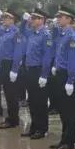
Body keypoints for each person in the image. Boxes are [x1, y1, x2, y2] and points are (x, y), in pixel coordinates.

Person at [15, 8, 53, 139]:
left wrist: (44, 75)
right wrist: (23, 20)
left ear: (41, 20)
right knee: (32, 100)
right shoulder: (31, 33)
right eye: (31, 18)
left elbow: (47, 57)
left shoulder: (46, 35)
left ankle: (42, 128)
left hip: (39, 70)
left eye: (34, 18)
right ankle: (34, 126)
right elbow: (21, 31)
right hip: (29, 69)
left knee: (40, 101)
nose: (32, 20)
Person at [49, 5, 75, 149]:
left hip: (67, 76)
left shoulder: (71, 36)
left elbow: (74, 60)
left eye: (60, 17)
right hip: (60, 73)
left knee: (68, 110)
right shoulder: (62, 35)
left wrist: (70, 81)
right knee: (62, 109)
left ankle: (69, 141)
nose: (58, 19)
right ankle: (64, 138)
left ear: (68, 19)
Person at [0, 9, 22, 129]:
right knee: (7, 92)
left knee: (12, 94)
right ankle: (10, 117)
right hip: (3, 64)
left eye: (6, 18)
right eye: (3, 17)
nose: (3, 20)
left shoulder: (16, 32)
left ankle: (13, 119)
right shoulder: (4, 31)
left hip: (10, 64)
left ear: (12, 19)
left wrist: (14, 69)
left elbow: (18, 52)